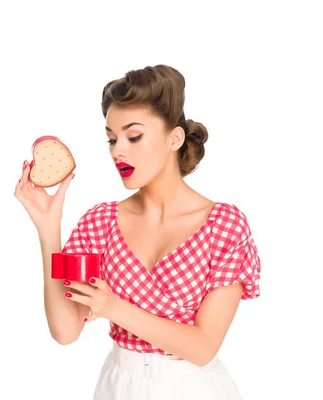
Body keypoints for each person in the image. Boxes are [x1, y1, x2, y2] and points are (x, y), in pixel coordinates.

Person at [14, 64, 261, 399]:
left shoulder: (224, 226)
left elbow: (203, 347)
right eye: (112, 139)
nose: (118, 150)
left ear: (174, 138)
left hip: (194, 388)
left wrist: (113, 308)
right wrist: (48, 230)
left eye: (134, 136)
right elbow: (66, 329)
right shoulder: (99, 223)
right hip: (119, 387)